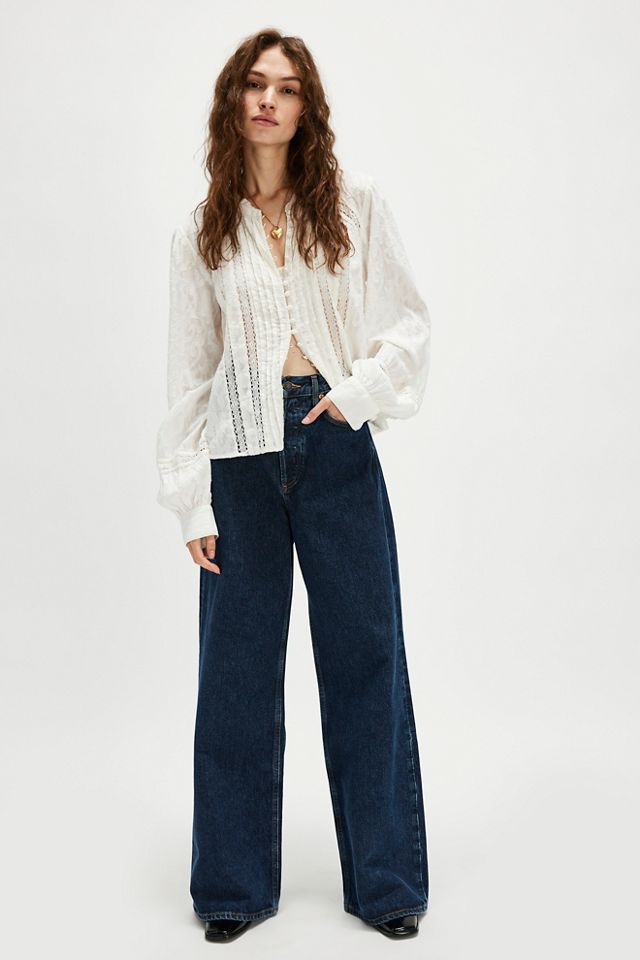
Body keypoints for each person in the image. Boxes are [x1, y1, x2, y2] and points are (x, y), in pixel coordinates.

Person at [156, 28, 432, 944]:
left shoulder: (353, 206)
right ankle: (232, 888)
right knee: (235, 673)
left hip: (333, 437)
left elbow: (409, 326)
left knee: (367, 658)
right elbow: (189, 375)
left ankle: (388, 884)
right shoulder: (200, 232)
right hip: (237, 456)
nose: (268, 99)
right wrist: (191, 499)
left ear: (307, 107)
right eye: (254, 84)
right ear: (234, 101)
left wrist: (356, 394)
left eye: (286, 87)